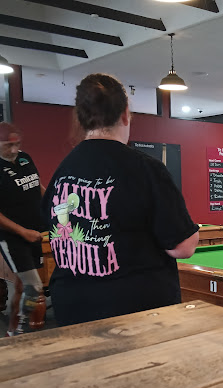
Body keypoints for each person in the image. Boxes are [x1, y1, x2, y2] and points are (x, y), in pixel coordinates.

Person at [41, 73, 199, 326]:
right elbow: (183, 247)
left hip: (72, 308)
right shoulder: (146, 169)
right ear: (125, 114)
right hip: (136, 313)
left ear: (80, 118)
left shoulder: (62, 172)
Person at [0, 122, 46, 336]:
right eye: (7, 146)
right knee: (34, 287)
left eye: (17, 144)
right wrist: (22, 232)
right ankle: (22, 330)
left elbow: (36, 185)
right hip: (13, 238)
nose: (13, 150)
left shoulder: (25, 158)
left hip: (34, 233)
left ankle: (12, 329)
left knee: (21, 286)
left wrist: (54, 201)